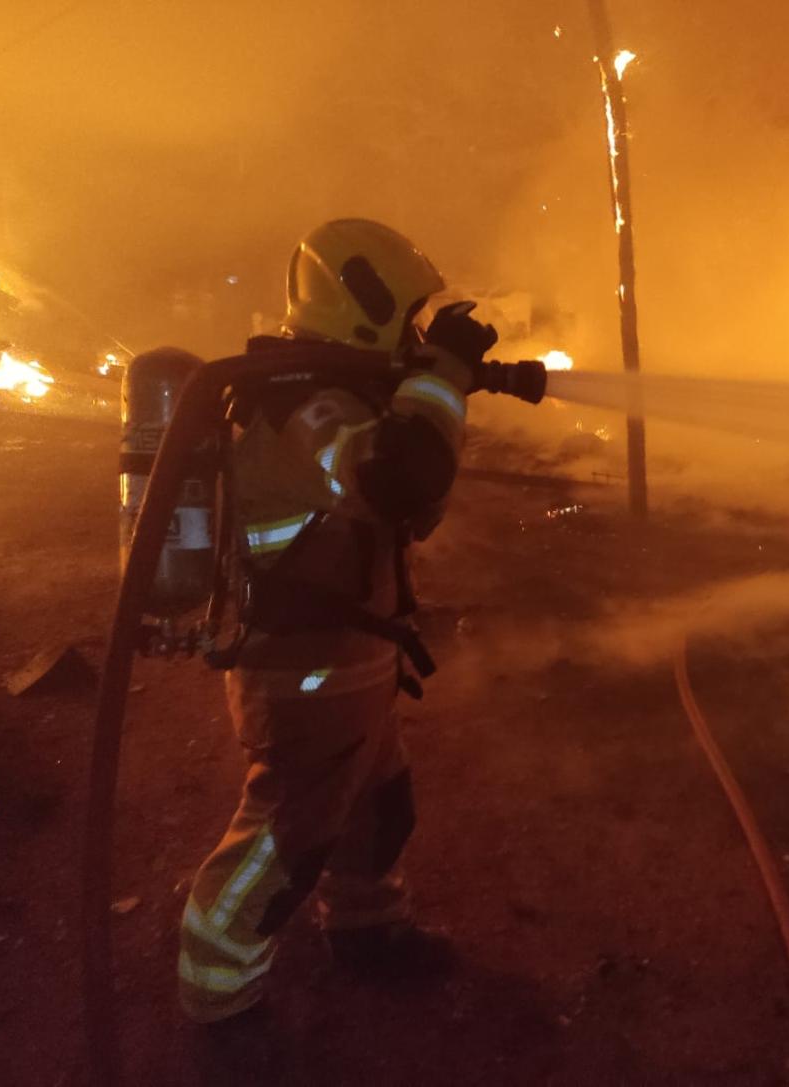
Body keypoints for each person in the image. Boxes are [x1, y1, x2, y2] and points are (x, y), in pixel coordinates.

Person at [177, 219, 539, 1026]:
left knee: (379, 809)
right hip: (301, 668)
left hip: (352, 658)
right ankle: (217, 994)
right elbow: (397, 481)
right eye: (407, 317)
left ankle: (368, 932)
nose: (414, 334)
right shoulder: (305, 403)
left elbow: (416, 505)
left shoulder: (341, 395)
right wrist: (440, 371)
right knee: (286, 839)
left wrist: (434, 390)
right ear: (362, 308)